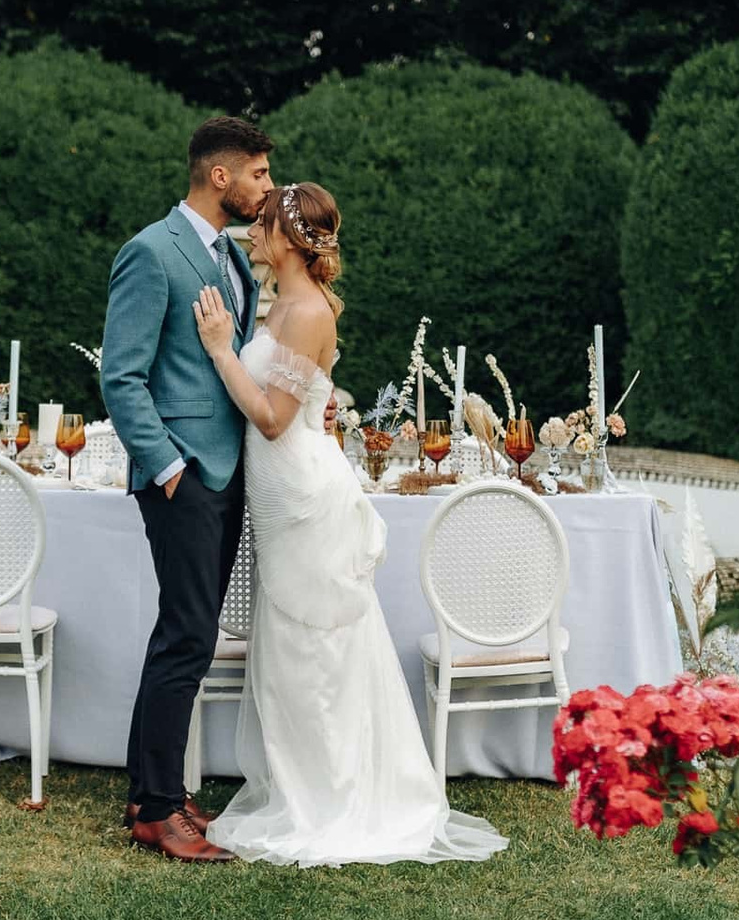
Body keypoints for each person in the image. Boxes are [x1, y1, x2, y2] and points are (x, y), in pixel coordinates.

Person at [189, 181, 508, 868]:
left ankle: (331, 797)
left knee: (317, 648)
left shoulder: (306, 311)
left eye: (264, 223)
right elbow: (303, 397)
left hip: (304, 495)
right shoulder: (280, 304)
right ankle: (300, 786)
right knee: (289, 646)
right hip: (282, 497)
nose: (253, 230)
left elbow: (272, 420)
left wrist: (219, 349)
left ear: (288, 239)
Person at [98, 115, 273, 861]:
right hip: (185, 476)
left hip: (228, 470)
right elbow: (121, 376)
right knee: (189, 636)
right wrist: (169, 469)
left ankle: (150, 792)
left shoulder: (230, 256)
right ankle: (160, 810)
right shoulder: (150, 252)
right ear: (220, 175)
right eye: (259, 173)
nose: (267, 187)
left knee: (184, 633)